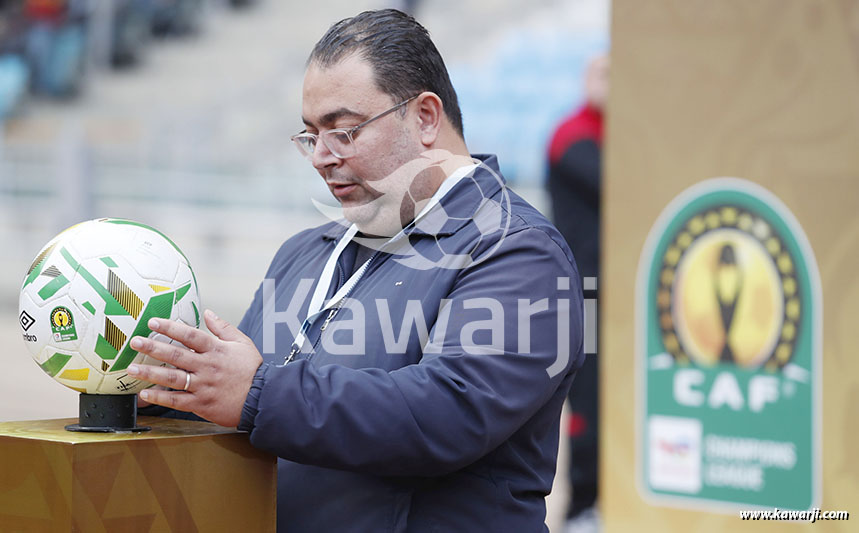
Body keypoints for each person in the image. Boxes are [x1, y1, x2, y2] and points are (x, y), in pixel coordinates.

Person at [129, 9, 584, 532]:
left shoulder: (518, 251)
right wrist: (144, 382)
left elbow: (446, 414)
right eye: (310, 136)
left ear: (426, 118)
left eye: (343, 131)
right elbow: (236, 402)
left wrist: (257, 394)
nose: (321, 156)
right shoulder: (305, 251)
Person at [546, 53, 608, 531]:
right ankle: (580, 510)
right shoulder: (572, 137)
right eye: (601, 73)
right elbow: (616, 184)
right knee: (586, 404)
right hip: (584, 293)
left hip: (620, 294)